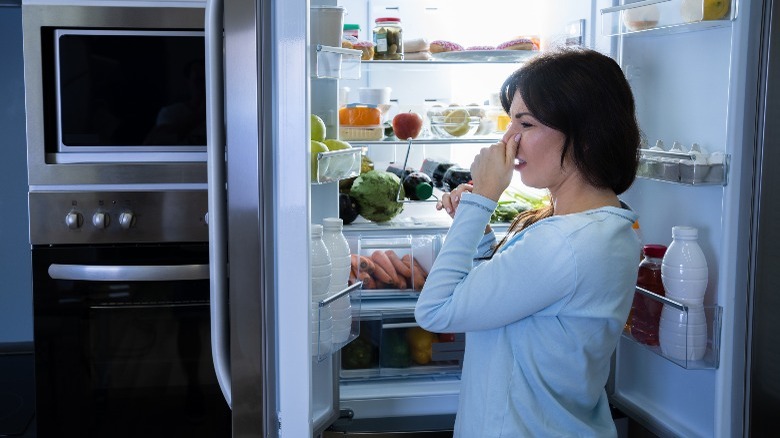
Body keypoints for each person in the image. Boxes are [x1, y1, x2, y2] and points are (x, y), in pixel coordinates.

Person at [414, 46, 642, 437]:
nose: (509, 141)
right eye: (510, 123)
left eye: (527, 124)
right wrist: (481, 235)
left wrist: (481, 203)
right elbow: (520, 299)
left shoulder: (564, 242)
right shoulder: (603, 225)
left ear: (585, 134)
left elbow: (436, 310)